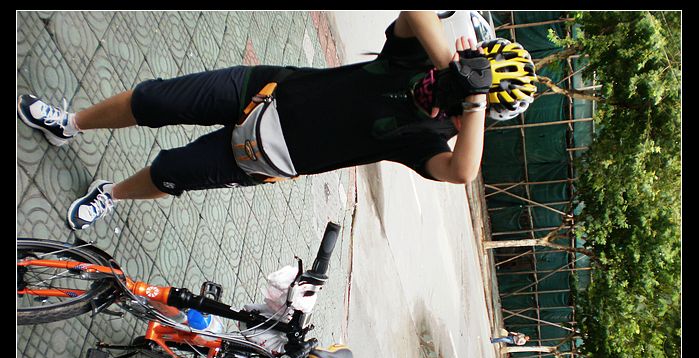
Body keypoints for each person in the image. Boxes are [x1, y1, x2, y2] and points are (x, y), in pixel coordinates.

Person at [17, 11, 536, 231]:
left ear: (482, 112)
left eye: (473, 97)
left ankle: (110, 193)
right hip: (263, 89)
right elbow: (413, 14)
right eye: (467, 76)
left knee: (170, 173)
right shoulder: (416, 61)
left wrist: (472, 101)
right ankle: (70, 124)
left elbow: (461, 172)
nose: (454, 90)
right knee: (154, 101)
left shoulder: (429, 137)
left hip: (267, 155)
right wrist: (453, 65)